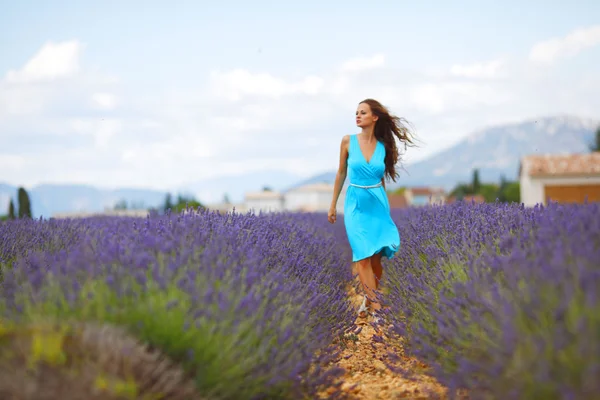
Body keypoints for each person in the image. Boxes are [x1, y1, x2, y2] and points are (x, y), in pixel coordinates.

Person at [328, 98, 416, 320]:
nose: (357, 116)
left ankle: (368, 299)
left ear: (375, 117)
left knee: (376, 259)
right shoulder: (347, 141)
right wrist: (333, 205)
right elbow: (341, 173)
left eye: (363, 112)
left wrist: (384, 207)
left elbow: (381, 179)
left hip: (377, 203)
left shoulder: (382, 147)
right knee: (362, 255)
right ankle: (377, 309)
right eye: (356, 112)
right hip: (355, 204)